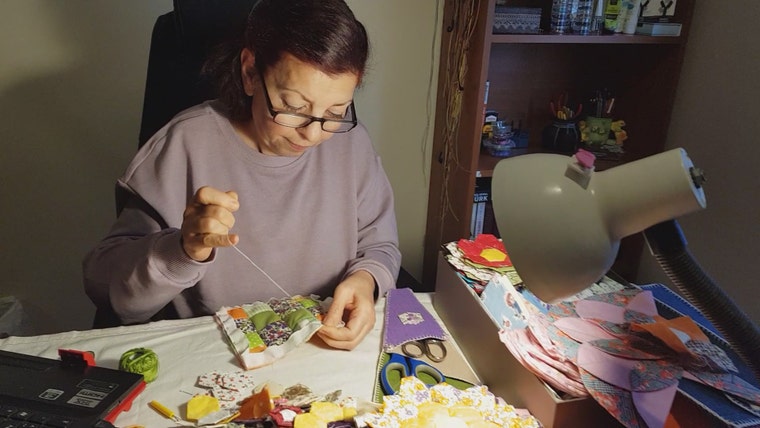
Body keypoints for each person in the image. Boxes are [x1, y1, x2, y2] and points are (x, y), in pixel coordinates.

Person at [83, 0, 401, 350]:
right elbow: (107, 293)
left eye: (336, 112)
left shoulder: (352, 144)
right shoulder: (182, 146)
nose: (313, 134)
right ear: (250, 72)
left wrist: (366, 280)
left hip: (321, 351)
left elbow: (380, 245)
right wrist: (183, 249)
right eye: (294, 107)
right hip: (215, 358)